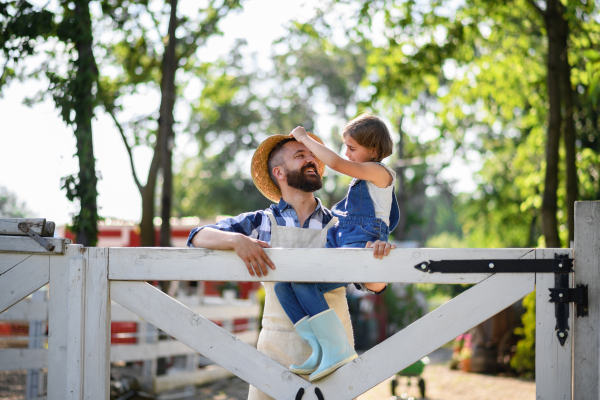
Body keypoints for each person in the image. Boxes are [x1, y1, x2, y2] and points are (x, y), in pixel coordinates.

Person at [187, 132, 395, 400]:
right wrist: (236, 240)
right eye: (300, 156)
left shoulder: (341, 224)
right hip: (276, 353)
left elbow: (374, 286)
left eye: (313, 155)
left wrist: (379, 257)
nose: (312, 160)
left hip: (337, 361)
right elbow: (196, 236)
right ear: (279, 173)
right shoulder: (259, 222)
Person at [274, 114, 399, 382]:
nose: (347, 153)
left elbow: (336, 163)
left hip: (356, 249)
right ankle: (320, 348)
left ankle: (336, 348)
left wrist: (305, 138)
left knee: (304, 283)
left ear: (374, 151)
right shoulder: (362, 181)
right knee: (283, 286)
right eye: (346, 147)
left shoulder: (380, 172)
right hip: (342, 245)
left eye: (352, 148)